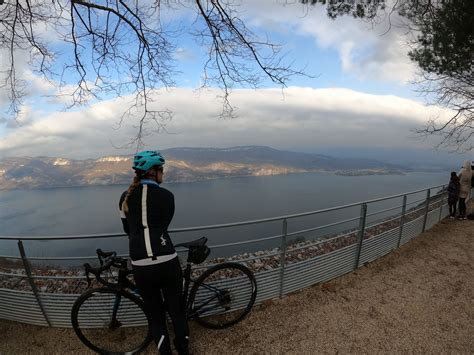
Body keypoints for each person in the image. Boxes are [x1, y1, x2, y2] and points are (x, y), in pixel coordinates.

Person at [119, 150, 189, 355]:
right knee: (177, 310)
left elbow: (128, 230)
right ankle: (183, 351)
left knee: (156, 315)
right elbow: (164, 225)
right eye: (162, 170)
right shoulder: (167, 196)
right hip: (167, 259)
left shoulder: (125, 197)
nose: (163, 174)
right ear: (153, 172)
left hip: (141, 265)